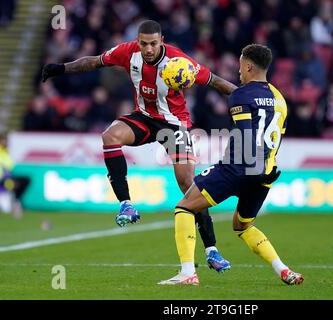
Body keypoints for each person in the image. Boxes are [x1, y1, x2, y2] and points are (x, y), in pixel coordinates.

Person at [41, 20, 237, 272]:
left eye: (153, 43)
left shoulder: (179, 62)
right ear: (138, 41)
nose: (148, 49)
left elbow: (214, 81)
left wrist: (244, 95)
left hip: (174, 125)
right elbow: (94, 61)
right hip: (144, 118)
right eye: (144, 43)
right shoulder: (127, 52)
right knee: (110, 136)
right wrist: (61, 68)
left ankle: (212, 251)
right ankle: (126, 204)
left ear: (161, 41)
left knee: (188, 185)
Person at [158, 44, 304, 286]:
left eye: (239, 66)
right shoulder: (280, 100)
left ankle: (187, 273)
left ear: (248, 66)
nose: (238, 72)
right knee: (243, 225)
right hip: (266, 172)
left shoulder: (241, 95)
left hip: (237, 168)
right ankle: (284, 270)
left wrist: (233, 165)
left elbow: (246, 134)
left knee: (184, 207)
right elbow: (277, 137)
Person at [0, 133, 30, 217]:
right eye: (3, 141)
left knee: (24, 181)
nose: (6, 143)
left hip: (5, 183)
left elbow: (9, 167)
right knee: (13, 183)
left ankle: (16, 202)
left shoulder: (5, 153)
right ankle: (16, 204)